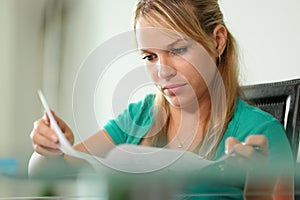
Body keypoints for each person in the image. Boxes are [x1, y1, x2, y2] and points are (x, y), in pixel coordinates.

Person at [29, 0, 295, 199]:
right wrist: (48, 151)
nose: (162, 71)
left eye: (178, 50)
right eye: (149, 57)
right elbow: (49, 174)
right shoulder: (139, 118)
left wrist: (257, 192)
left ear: (217, 41)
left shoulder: (261, 134)